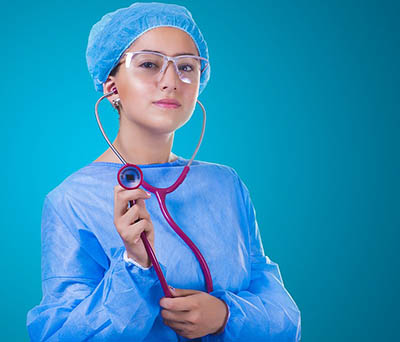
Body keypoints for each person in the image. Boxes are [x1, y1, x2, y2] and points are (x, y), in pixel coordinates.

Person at [26, 2, 301, 341]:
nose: (171, 81)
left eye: (186, 66)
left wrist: (226, 315)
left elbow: (284, 316)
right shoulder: (71, 200)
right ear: (112, 86)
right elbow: (60, 336)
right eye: (149, 64)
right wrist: (135, 265)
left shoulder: (225, 184)